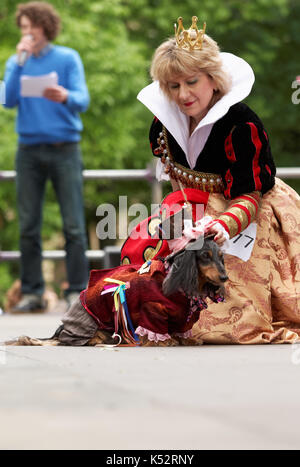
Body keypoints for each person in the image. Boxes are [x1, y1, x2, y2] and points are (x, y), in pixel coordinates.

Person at [120, 16, 300, 344]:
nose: (183, 94)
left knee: (227, 314)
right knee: (150, 284)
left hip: (248, 211)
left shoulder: (241, 126)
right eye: (173, 86)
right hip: (193, 213)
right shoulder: (162, 126)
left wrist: (220, 226)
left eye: (192, 82)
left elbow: (249, 194)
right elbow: (177, 187)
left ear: (213, 79)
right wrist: (178, 225)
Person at [3, 1, 89, 312]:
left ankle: (77, 291)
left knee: (73, 225)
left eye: (32, 27)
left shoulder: (67, 58)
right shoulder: (17, 62)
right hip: (28, 151)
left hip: (64, 149)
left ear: (45, 27)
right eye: (23, 28)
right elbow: (8, 100)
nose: (28, 33)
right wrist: (17, 63)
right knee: (28, 225)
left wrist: (65, 95)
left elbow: (83, 99)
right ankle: (32, 292)